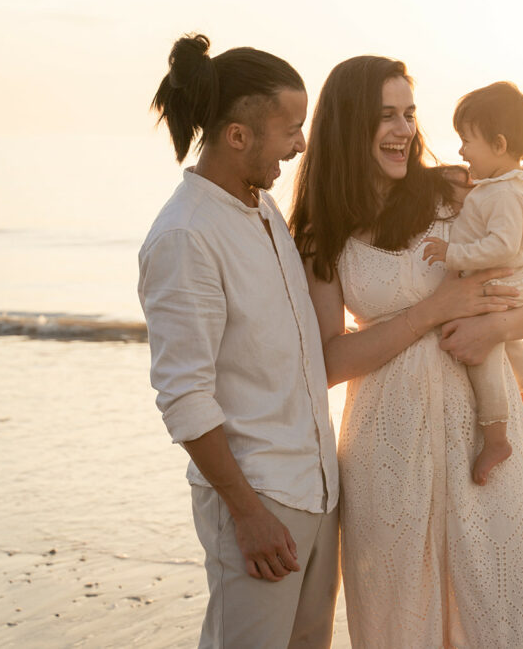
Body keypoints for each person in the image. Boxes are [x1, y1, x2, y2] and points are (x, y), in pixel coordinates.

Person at [289, 56, 523, 648]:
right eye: (385, 115)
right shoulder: (321, 231)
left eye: (410, 114)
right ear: (347, 124)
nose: (404, 129)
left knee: (499, 611)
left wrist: (494, 330)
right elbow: (330, 362)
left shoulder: (457, 191)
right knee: (402, 620)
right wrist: (434, 311)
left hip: (480, 442)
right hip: (387, 446)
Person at [138, 33, 339, 649]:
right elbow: (185, 399)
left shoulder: (262, 208)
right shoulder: (185, 237)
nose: (302, 143)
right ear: (238, 136)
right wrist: (248, 515)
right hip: (258, 503)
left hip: (316, 491)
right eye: (291, 129)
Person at [422, 81, 523, 486]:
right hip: (516, 282)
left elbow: (501, 246)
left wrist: (452, 254)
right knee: (511, 340)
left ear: (498, 143)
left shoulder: (504, 195)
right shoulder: (507, 185)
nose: (460, 151)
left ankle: (495, 437)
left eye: (466, 141)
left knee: (487, 354)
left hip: (503, 282)